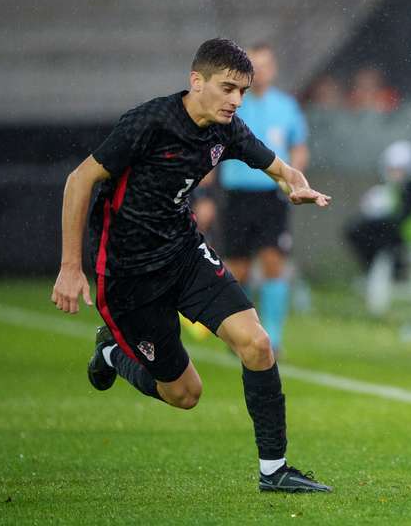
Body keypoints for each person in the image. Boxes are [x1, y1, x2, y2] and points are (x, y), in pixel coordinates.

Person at [50, 38, 333, 494]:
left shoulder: (228, 129)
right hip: (128, 276)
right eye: (227, 88)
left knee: (258, 345)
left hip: (183, 255)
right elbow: (79, 179)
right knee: (185, 395)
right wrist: (69, 266)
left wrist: (295, 184)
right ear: (196, 81)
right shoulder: (150, 122)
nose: (236, 100)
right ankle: (110, 353)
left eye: (242, 90)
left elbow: (280, 168)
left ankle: (274, 471)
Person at [218, 42, 310, 357]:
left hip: (271, 197)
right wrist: (201, 194)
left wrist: (296, 177)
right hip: (237, 196)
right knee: (238, 269)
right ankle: (244, 333)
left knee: (273, 263)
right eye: (254, 67)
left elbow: (299, 145)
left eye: (265, 65)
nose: (260, 73)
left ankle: (273, 336)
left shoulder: (286, 107)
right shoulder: (232, 106)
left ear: (274, 69)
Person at [345, 141, 411, 276]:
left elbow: (402, 215)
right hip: (403, 228)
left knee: (360, 231)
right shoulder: (401, 185)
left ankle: (388, 270)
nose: (394, 174)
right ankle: (385, 269)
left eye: (398, 170)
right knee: (361, 229)